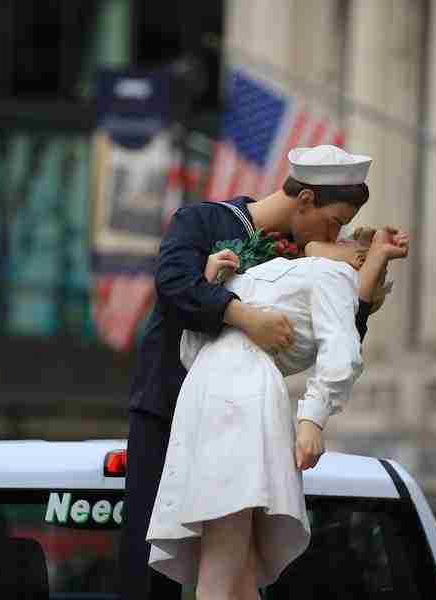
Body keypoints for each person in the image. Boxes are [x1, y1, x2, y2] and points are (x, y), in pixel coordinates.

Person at [121, 145, 393, 600]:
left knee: (239, 554)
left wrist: (368, 275)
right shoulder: (205, 222)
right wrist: (241, 315)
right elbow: (173, 287)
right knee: (156, 557)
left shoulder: (307, 262)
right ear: (305, 200)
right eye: (333, 222)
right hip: (170, 405)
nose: (337, 234)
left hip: (241, 412)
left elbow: (336, 338)